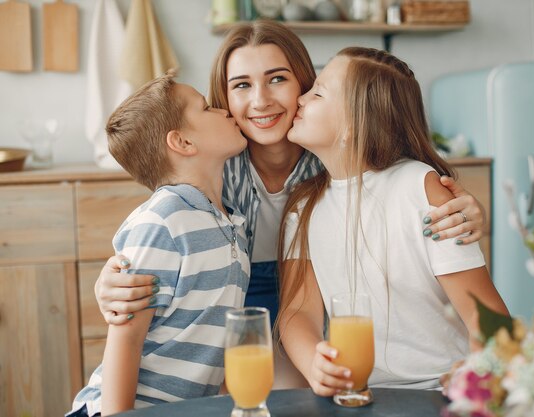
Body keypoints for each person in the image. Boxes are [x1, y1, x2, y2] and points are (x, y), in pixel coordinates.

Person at [91, 21, 486, 388]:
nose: (261, 100)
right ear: (224, 98)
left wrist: (466, 209)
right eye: (241, 85)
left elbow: (395, 178)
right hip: (237, 307)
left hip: (331, 309)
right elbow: (157, 236)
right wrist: (112, 280)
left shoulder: (331, 153)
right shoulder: (211, 163)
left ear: (305, 85)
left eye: (277, 79)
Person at [277, 47, 509, 396]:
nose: (300, 99)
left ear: (353, 125)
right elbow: (298, 311)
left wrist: (474, 382)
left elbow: (487, 319)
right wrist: (314, 363)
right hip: (360, 393)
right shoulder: (303, 208)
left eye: (318, 92)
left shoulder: (423, 189)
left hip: (439, 390)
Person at [68, 72, 250, 416]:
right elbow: (126, 338)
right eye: (207, 107)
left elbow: (217, 347)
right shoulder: (163, 220)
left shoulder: (232, 223)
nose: (224, 110)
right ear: (182, 142)